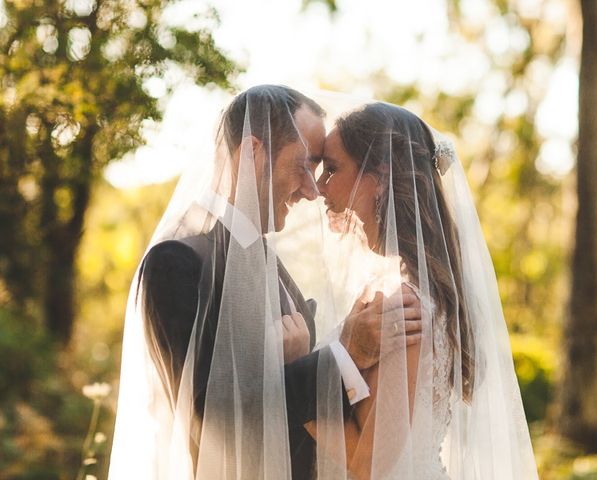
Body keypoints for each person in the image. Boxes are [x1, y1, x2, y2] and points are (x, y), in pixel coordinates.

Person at [108, 86, 422, 480]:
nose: (312, 190)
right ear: (253, 152)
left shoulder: (272, 263)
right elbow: (210, 418)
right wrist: (345, 352)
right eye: (303, 166)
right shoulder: (176, 262)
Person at [307, 102, 538, 479]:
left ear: (378, 176)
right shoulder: (421, 291)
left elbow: (371, 465)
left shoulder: (404, 304)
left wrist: (287, 390)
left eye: (332, 169)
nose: (319, 186)